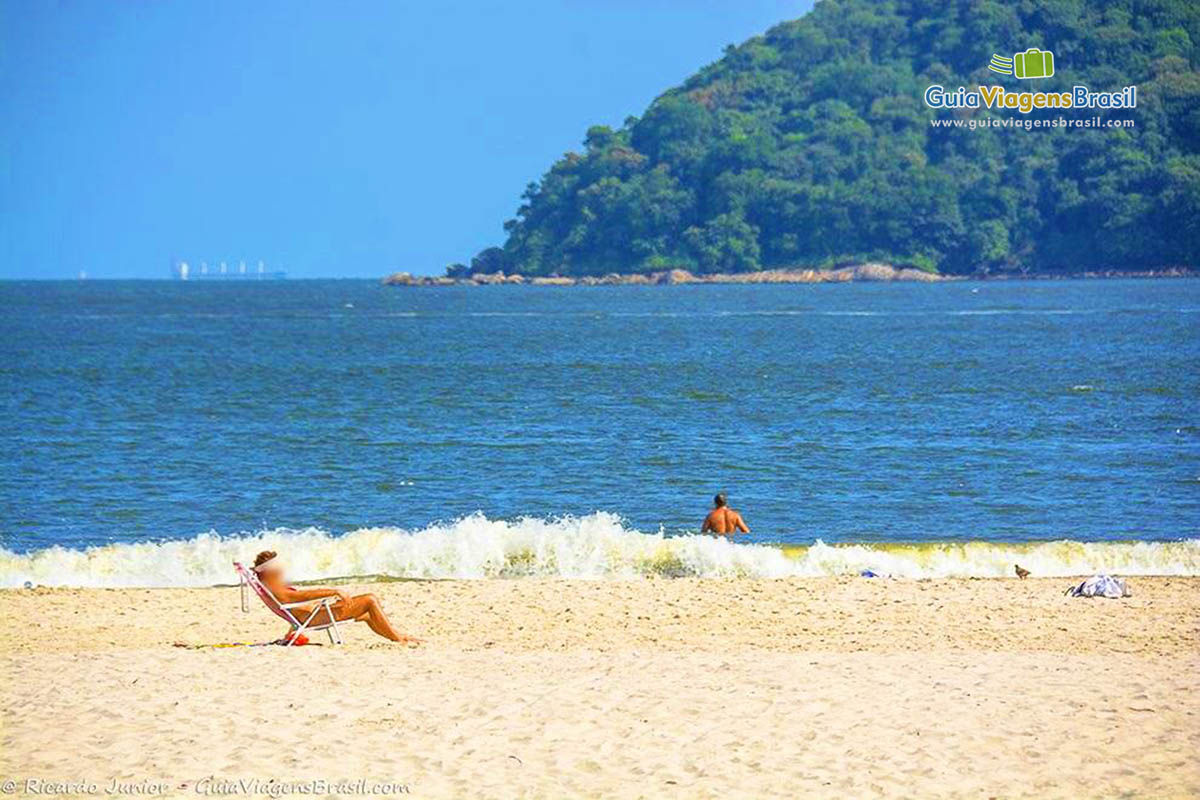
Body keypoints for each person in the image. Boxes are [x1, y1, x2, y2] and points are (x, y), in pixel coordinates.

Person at [251, 550, 420, 644]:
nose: (282, 568)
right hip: (313, 617)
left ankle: (397, 636)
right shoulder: (274, 587)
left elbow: (296, 601)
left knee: (367, 614)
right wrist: (333, 592)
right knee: (369, 599)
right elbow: (300, 596)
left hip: (312, 614)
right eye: (278, 566)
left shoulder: (271, 585)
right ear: (269, 570)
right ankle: (398, 638)